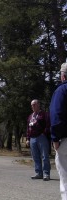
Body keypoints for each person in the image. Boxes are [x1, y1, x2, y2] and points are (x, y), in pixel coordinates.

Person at [50, 62, 67, 199]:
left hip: (65, 141)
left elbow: (57, 115)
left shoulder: (62, 90)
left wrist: (55, 137)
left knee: (66, 181)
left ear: (63, 76)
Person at [26, 99, 51, 181]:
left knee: (44, 156)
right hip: (32, 138)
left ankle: (46, 174)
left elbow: (48, 125)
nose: (32, 106)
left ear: (38, 105)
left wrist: (44, 133)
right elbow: (28, 128)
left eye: (34, 104)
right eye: (31, 105)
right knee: (35, 157)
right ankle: (38, 173)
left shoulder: (44, 114)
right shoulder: (30, 116)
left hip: (41, 137)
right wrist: (28, 138)